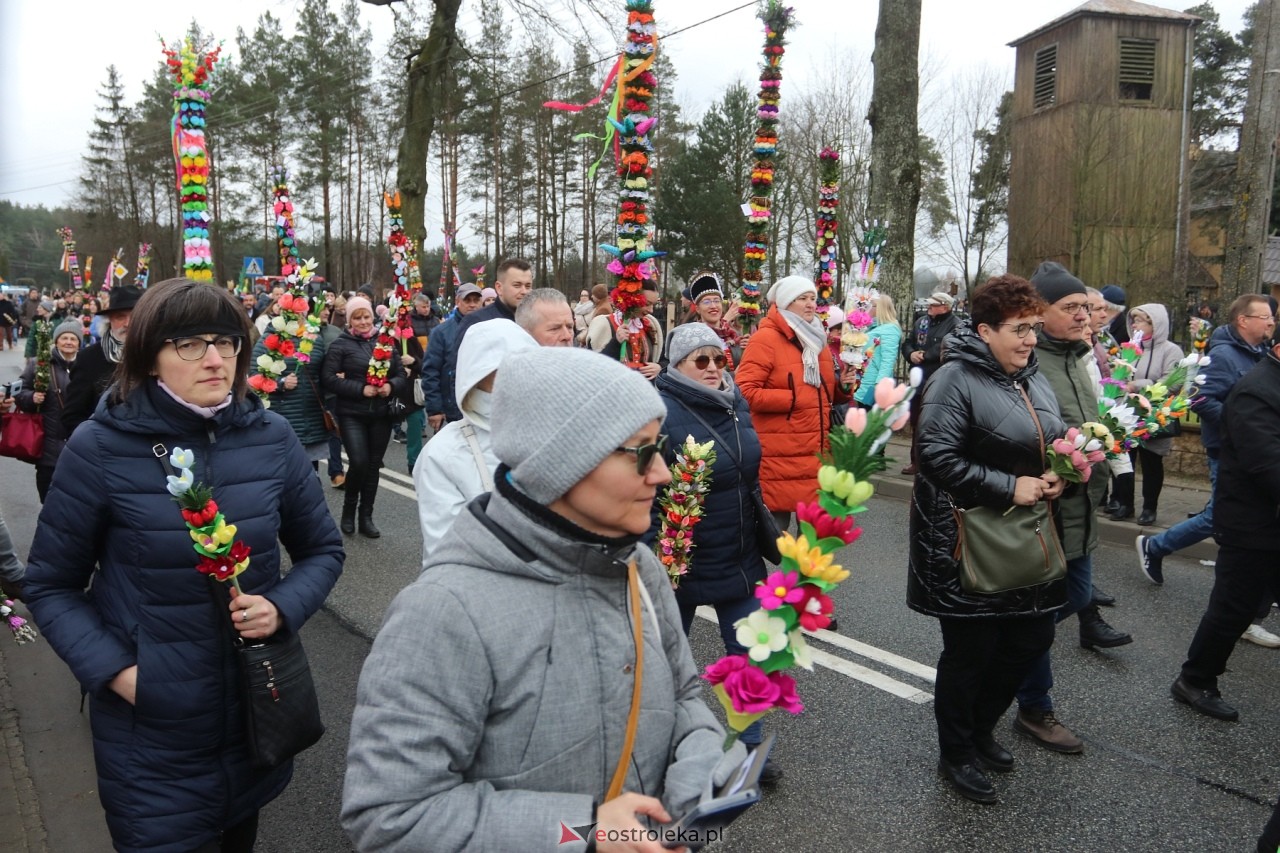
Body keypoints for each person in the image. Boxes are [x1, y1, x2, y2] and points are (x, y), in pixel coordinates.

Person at [343, 346, 738, 852]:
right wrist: (587, 833)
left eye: (657, 447)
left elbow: (683, 697)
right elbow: (391, 819)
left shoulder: (638, 567)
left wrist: (696, 789)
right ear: (563, 463)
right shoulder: (443, 612)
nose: (661, 472)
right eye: (639, 450)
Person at [22, 277, 344, 852]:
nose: (216, 359)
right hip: (151, 740)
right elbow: (50, 585)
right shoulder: (99, 447)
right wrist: (123, 676)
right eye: (190, 344)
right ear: (149, 357)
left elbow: (323, 550)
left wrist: (282, 606)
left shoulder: (271, 437)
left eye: (227, 341)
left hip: (254, 723)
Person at [908, 275, 1068, 804]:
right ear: (984, 330)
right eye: (1019, 329)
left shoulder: (1032, 377)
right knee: (971, 651)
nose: (1029, 339)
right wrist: (1010, 487)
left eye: (1033, 329)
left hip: (1026, 537)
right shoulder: (953, 378)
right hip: (964, 540)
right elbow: (934, 456)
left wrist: (1060, 473)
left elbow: (1051, 438)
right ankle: (956, 751)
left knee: (1028, 642)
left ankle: (981, 731)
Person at [651, 323, 779, 782]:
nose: (712, 368)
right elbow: (645, 490)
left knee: (747, 657)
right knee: (669, 662)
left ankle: (746, 747)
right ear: (677, 364)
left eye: (719, 359)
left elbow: (749, 471)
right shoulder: (659, 409)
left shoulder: (735, 401)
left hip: (739, 554)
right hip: (680, 562)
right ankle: (666, 745)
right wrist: (654, 550)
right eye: (700, 360)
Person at [1013, 262, 1131, 756]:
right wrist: (1064, 459)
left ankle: (1007, 648)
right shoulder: (1027, 361)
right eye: (1072, 307)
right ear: (1040, 314)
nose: (1086, 315)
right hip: (1048, 509)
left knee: (1075, 597)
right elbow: (1026, 432)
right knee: (1041, 612)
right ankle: (1034, 706)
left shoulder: (1080, 356)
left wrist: (1115, 435)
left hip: (1082, 506)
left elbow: (1091, 424)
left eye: (1087, 306)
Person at [1168, 329, 1280, 722]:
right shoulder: (1256, 390)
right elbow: (1267, 463)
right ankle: (1195, 679)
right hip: (1253, 524)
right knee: (1233, 609)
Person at [1136, 294, 1275, 585]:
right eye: (1265, 317)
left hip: (1249, 449)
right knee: (1220, 517)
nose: (1272, 321)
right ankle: (1155, 546)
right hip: (1226, 448)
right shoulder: (1224, 356)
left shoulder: (1259, 351)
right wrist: (1244, 424)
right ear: (1243, 320)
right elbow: (1197, 399)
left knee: (1235, 516)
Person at [413, 319, 537, 565]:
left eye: (524, 368)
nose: (515, 381)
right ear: (476, 377)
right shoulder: (443, 454)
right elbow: (447, 553)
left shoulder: (558, 433)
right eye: (501, 371)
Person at [736, 275, 837, 530]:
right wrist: (792, 400)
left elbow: (825, 393)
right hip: (781, 453)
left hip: (817, 452)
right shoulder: (766, 338)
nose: (810, 304)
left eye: (813, 298)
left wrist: (844, 386)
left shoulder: (818, 339)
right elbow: (745, 391)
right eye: (802, 298)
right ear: (785, 303)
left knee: (812, 543)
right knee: (776, 539)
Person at [322, 295, 408, 538]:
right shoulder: (341, 344)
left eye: (366, 316)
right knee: (358, 461)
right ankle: (349, 509)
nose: (363, 322)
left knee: (372, 466)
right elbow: (328, 379)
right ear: (349, 320)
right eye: (357, 317)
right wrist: (360, 389)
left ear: (373, 316)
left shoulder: (386, 341)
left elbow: (401, 374)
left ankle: (366, 516)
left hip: (381, 414)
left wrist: (390, 386)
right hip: (352, 413)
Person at [1106, 304, 1182, 525]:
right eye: (1134, 320)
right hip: (1127, 413)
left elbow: (1173, 383)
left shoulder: (1171, 350)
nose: (1134, 325)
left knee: (1151, 463)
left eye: (1140, 321)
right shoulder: (1130, 349)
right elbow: (1119, 378)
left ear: (1154, 324)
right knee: (1125, 459)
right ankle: (1125, 504)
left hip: (1154, 415)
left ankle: (1150, 508)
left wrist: (1137, 385)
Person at [248, 307, 330, 474]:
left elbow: (324, 373)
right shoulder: (269, 340)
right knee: (285, 474)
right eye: (291, 314)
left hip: (311, 420)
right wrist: (281, 383)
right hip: (283, 415)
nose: (296, 318)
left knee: (310, 476)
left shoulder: (315, 339)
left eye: (299, 313)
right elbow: (255, 378)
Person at [60, 284, 144, 435]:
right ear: (109, 320)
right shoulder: (89, 358)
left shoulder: (155, 354)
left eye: (135, 316)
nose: (128, 323)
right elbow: (72, 416)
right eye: (120, 317)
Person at [14, 320, 83, 502]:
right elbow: (19, 392)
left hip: (78, 446)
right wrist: (31, 397)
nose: (68, 342)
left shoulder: (86, 366)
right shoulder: (39, 364)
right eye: (64, 338)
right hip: (47, 446)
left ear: (79, 343)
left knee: (76, 498)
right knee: (48, 496)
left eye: (73, 339)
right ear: (56, 341)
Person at [900, 291, 960, 474]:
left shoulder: (955, 325)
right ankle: (916, 462)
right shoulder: (921, 322)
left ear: (945, 306)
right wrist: (911, 354)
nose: (929, 308)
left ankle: (934, 463)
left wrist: (926, 355)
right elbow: (908, 342)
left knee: (936, 424)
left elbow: (950, 347)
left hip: (939, 381)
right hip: (918, 381)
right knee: (917, 422)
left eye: (933, 305)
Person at [422, 282, 482, 434]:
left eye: (476, 300)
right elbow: (431, 372)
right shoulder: (441, 332)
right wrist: (435, 409)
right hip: (453, 408)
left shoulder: (490, 328)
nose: (472, 305)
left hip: (483, 406)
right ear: (458, 302)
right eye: (467, 300)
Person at [587, 279, 665, 380]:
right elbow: (594, 365)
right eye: (647, 304)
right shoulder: (604, 324)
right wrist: (616, 342)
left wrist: (659, 367)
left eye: (653, 305)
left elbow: (665, 360)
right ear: (633, 298)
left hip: (644, 390)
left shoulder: (652, 325)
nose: (651, 310)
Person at [853, 293, 904, 408]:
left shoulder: (890, 329)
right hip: (864, 382)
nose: (867, 309)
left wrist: (879, 386)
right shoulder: (874, 327)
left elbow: (888, 360)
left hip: (873, 386)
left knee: (869, 419)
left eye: (871, 305)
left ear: (880, 309)